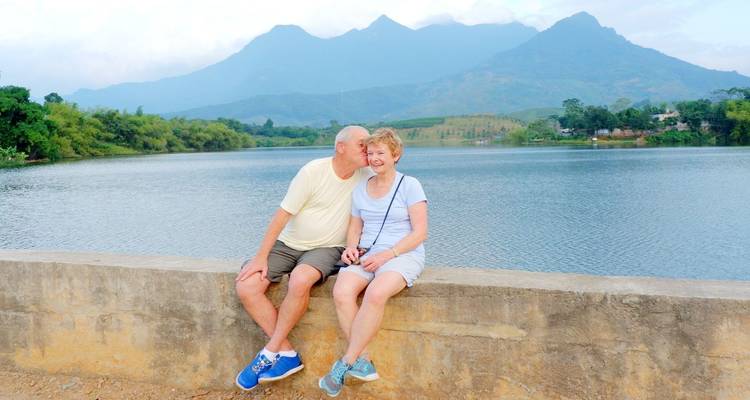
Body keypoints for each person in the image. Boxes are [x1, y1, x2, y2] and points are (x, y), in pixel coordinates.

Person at [234, 125, 370, 391]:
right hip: (289, 243)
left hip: (329, 248)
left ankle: (270, 351)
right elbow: (282, 215)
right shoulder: (313, 171)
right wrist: (261, 257)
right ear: (341, 147)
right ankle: (286, 353)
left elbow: (385, 201)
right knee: (247, 285)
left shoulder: (366, 176)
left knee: (300, 280)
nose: (368, 151)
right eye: (362, 145)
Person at [318, 128, 428, 397]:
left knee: (376, 293)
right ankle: (363, 360)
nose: (375, 158)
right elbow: (355, 226)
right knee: (342, 292)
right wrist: (351, 249)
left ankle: (344, 363)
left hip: (402, 254)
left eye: (381, 153)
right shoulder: (360, 189)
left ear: (396, 155)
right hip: (367, 253)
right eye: (370, 153)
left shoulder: (410, 185)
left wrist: (387, 255)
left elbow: (420, 233)